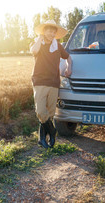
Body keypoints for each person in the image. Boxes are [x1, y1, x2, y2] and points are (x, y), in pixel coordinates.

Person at [30, 20, 72, 149]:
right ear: (44, 31)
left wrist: (68, 67)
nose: (52, 33)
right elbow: (34, 51)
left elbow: (68, 57)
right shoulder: (36, 43)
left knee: (50, 113)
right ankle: (52, 131)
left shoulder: (58, 46)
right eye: (49, 30)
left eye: (54, 31)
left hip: (54, 82)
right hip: (40, 82)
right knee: (41, 112)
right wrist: (40, 39)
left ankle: (42, 139)